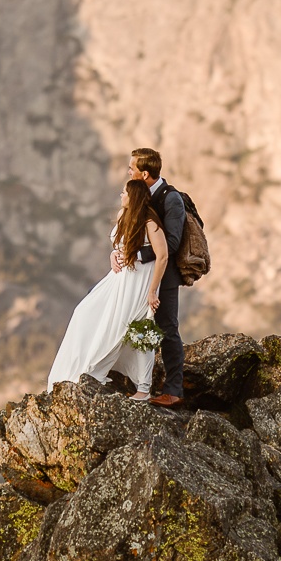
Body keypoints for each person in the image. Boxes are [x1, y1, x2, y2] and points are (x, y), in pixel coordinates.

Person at [47, 177, 168, 399]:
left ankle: (144, 388)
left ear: (134, 197)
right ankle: (86, 366)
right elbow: (119, 246)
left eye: (124, 192)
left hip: (139, 283)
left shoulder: (150, 222)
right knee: (84, 312)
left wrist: (152, 290)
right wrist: (113, 255)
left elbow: (162, 256)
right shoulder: (125, 216)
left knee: (138, 330)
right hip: (119, 279)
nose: (121, 195)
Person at [110, 148, 187, 406]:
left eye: (131, 169)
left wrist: (135, 255)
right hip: (136, 277)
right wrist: (116, 253)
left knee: (167, 329)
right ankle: (133, 381)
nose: (128, 172)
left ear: (145, 174)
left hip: (163, 278)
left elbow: (172, 244)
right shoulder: (137, 196)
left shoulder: (170, 199)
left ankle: (173, 390)